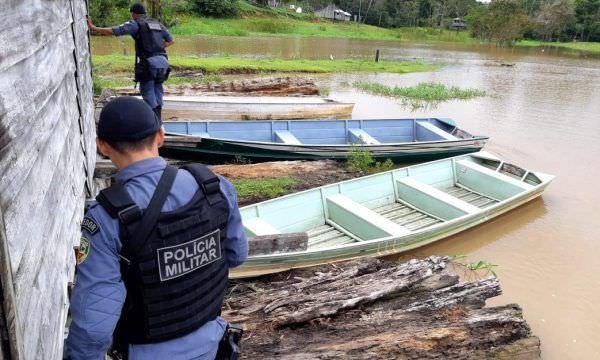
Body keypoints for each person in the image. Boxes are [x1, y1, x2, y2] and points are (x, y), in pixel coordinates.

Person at [66, 96, 248, 360]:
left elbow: (95, 320)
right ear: (160, 136)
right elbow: (237, 255)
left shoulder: (105, 219)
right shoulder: (214, 186)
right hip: (210, 343)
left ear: (102, 146)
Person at [87, 4, 174, 119]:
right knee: (158, 91)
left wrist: (94, 28)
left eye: (132, 14)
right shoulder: (157, 23)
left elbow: (115, 31)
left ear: (135, 14)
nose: (132, 16)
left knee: (148, 93)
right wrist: (157, 48)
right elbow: (171, 41)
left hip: (149, 64)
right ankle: (159, 122)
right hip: (163, 62)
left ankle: (154, 124)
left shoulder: (136, 24)